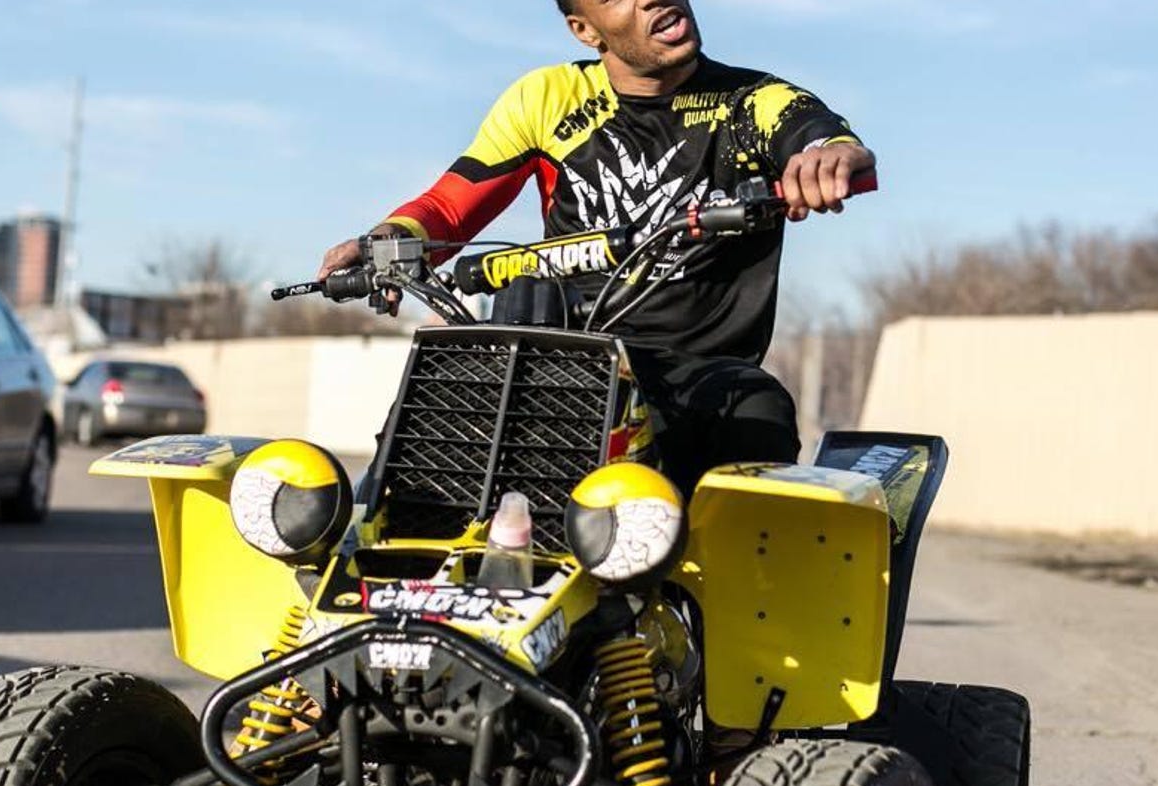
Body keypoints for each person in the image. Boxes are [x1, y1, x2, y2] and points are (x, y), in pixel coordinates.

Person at [320, 0, 875, 494]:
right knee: (440, 390)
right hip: (565, 356)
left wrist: (826, 158)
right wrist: (385, 241)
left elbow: (822, 137)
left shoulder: (752, 101)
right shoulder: (546, 98)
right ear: (586, 30)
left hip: (696, 371)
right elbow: (448, 209)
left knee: (757, 408)